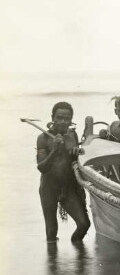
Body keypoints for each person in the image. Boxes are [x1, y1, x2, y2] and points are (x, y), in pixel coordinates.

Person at [37, 102, 90, 243]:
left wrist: (77, 153)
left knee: (84, 224)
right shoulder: (43, 138)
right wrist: (54, 150)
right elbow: (41, 167)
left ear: (71, 119)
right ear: (52, 118)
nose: (62, 122)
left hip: (68, 187)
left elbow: (78, 160)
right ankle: (53, 263)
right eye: (59, 117)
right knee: (51, 231)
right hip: (49, 188)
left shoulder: (73, 135)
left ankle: (79, 255)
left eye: (66, 118)